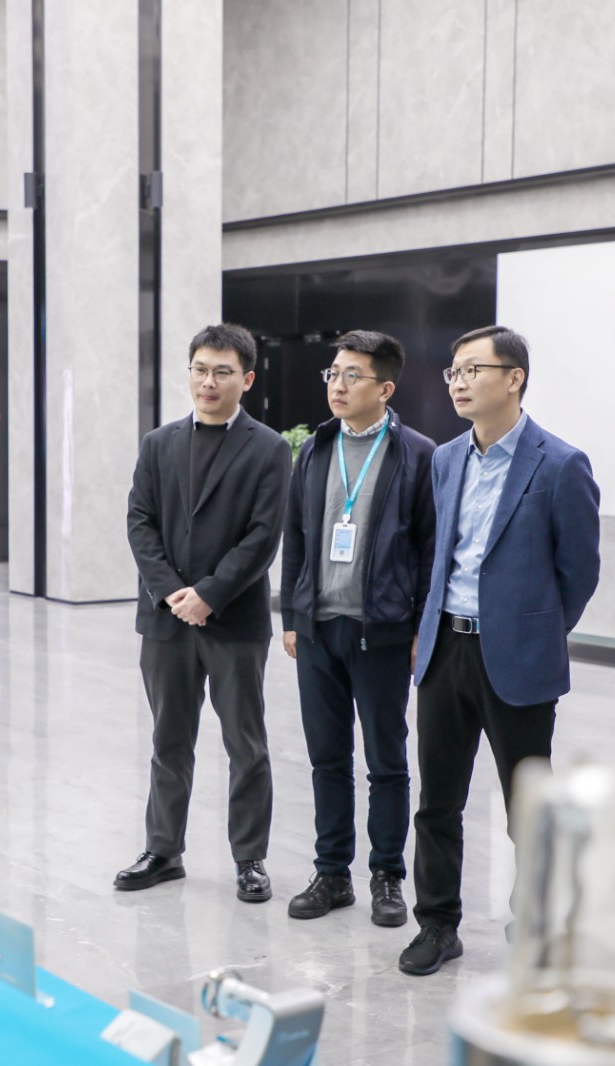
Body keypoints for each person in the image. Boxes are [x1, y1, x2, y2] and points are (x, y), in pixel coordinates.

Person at [399, 325, 600, 976]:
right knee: (437, 803)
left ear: (514, 379)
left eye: (472, 370)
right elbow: (440, 554)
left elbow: (580, 571)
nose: (457, 382)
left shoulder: (560, 463)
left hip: (517, 659)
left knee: (529, 809)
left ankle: (538, 928)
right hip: (444, 652)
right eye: (453, 372)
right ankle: (437, 925)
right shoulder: (445, 459)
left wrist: (533, 632)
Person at [118, 323, 291, 902]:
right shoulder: (159, 443)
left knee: (246, 744)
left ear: (247, 379)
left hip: (234, 621)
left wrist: (210, 594)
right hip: (166, 621)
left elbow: (263, 537)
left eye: (222, 372)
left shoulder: (268, 448)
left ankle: (250, 858)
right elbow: (140, 521)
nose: (208, 382)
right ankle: (163, 850)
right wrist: (172, 592)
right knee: (169, 738)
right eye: (199, 369)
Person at [279, 329, 436, 927]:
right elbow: (296, 537)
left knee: (386, 761)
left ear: (385, 389)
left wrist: (419, 628)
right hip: (319, 629)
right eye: (333, 374)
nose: (338, 385)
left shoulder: (416, 454)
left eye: (352, 375)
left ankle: (387, 876)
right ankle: (332, 873)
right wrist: (293, 616)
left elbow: (428, 550)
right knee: (327, 759)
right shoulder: (316, 448)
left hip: (383, 632)